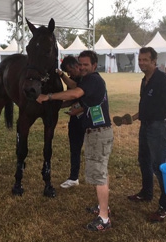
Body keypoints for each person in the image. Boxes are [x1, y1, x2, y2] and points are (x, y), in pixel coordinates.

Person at [36, 50, 113, 231]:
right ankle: (103, 207)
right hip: (98, 131)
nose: (82, 67)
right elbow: (79, 101)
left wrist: (49, 96)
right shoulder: (89, 80)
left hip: (98, 133)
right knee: (102, 170)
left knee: (99, 174)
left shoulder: (93, 80)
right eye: (80, 64)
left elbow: (74, 94)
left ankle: (104, 219)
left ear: (94, 65)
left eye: (86, 64)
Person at [126, 47, 166, 223]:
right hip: (146, 126)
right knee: (144, 160)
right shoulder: (145, 80)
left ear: (154, 61)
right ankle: (146, 193)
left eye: (145, 60)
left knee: (159, 166)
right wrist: (133, 118)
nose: (141, 62)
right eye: (140, 59)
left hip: (159, 128)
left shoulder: (163, 80)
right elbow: (146, 106)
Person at [56, 56, 85, 189]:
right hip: (75, 119)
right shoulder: (71, 79)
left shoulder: (87, 78)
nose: (69, 74)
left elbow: (75, 91)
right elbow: (69, 98)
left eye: (69, 71)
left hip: (89, 120)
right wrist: (56, 105)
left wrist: (61, 75)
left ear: (75, 66)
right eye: (67, 73)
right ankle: (74, 177)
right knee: (74, 148)